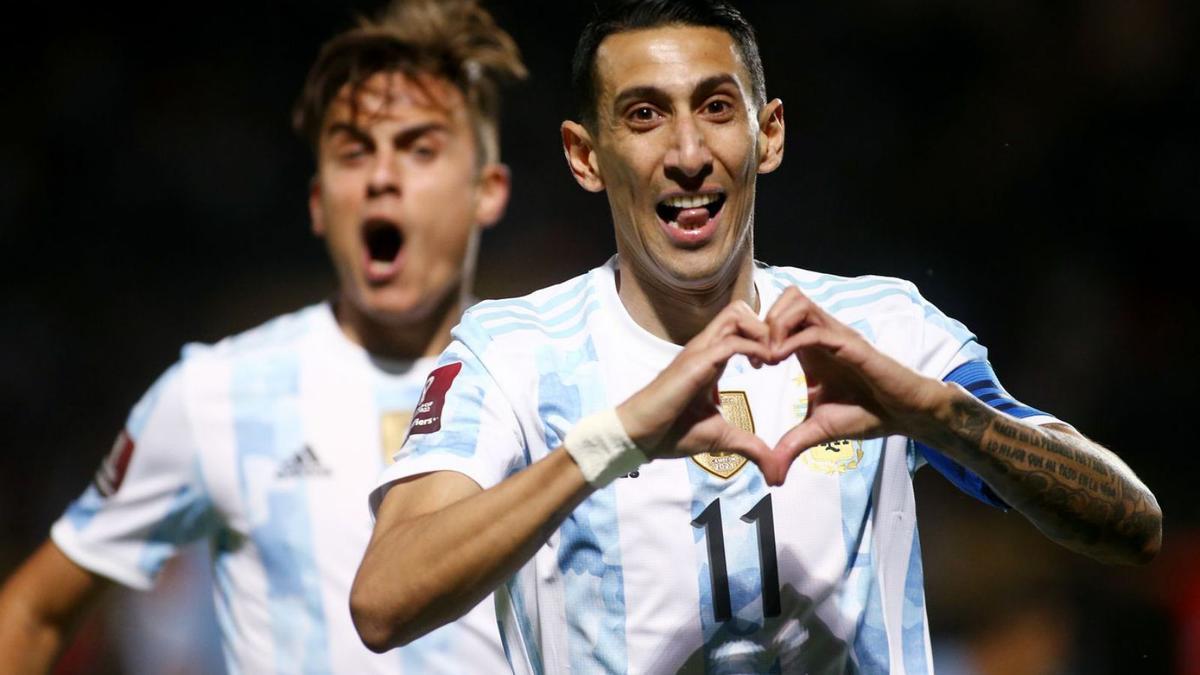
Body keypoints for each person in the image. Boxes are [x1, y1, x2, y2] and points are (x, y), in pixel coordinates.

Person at [351, 1, 1163, 673]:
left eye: (715, 106)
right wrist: (612, 440)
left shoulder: (881, 328)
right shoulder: (513, 351)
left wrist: (940, 415)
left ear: (767, 133)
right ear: (584, 155)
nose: (689, 153)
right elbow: (385, 601)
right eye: (644, 115)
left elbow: (1134, 524)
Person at [0, 0, 525, 672]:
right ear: (318, 201)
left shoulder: (547, 375)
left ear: (488, 189)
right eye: (352, 151)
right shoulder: (218, 392)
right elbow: (34, 610)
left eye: (419, 148)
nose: (382, 177)